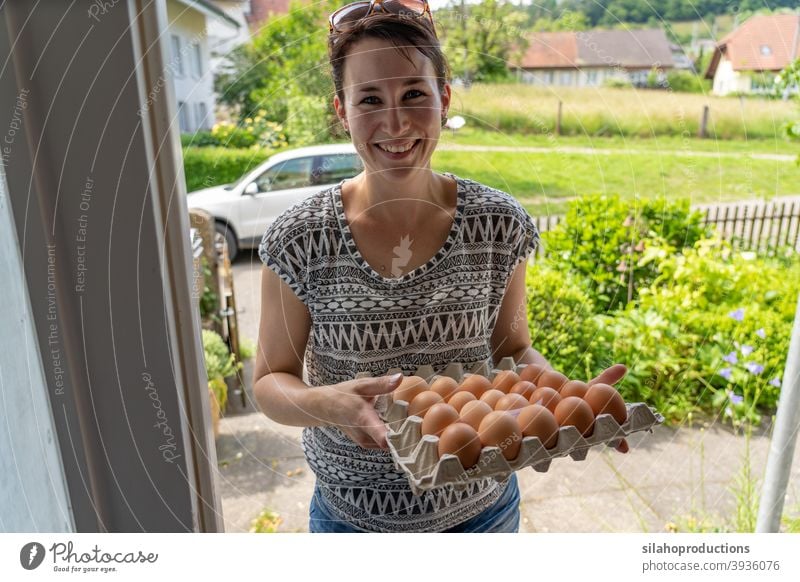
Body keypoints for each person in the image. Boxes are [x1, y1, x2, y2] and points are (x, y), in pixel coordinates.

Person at [254, 0, 627, 533]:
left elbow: (512, 349)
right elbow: (271, 381)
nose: (396, 121)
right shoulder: (301, 239)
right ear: (341, 111)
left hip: (483, 516)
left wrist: (564, 399)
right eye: (369, 99)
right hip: (353, 526)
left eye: (413, 94)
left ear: (443, 98)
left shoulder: (498, 225)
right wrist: (327, 405)